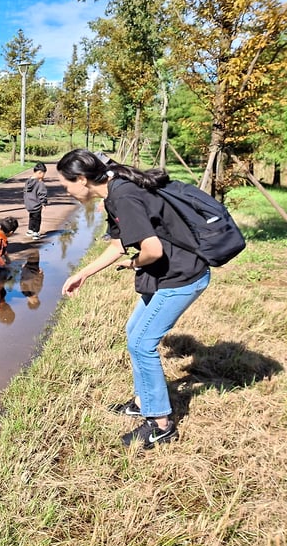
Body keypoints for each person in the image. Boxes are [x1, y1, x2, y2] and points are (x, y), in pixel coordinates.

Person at [57, 149, 211, 449]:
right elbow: (117, 246)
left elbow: (152, 250)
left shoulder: (123, 196)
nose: (65, 189)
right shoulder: (113, 192)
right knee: (135, 333)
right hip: (170, 274)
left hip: (182, 277)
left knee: (142, 342)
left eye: (66, 183)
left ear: (81, 179)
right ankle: (144, 402)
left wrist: (135, 263)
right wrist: (83, 273)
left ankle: (161, 424)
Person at [24, 162, 48, 240]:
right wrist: (43, 203)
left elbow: (25, 192)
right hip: (36, 204)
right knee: (37, 218)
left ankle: (30, 229)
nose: (44, 176)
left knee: (31, 216)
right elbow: (42, 193)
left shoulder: (28, 181)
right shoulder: (40, 183)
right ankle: (36, 232)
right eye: (43, 174)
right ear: (39, 173)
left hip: (29, 204)